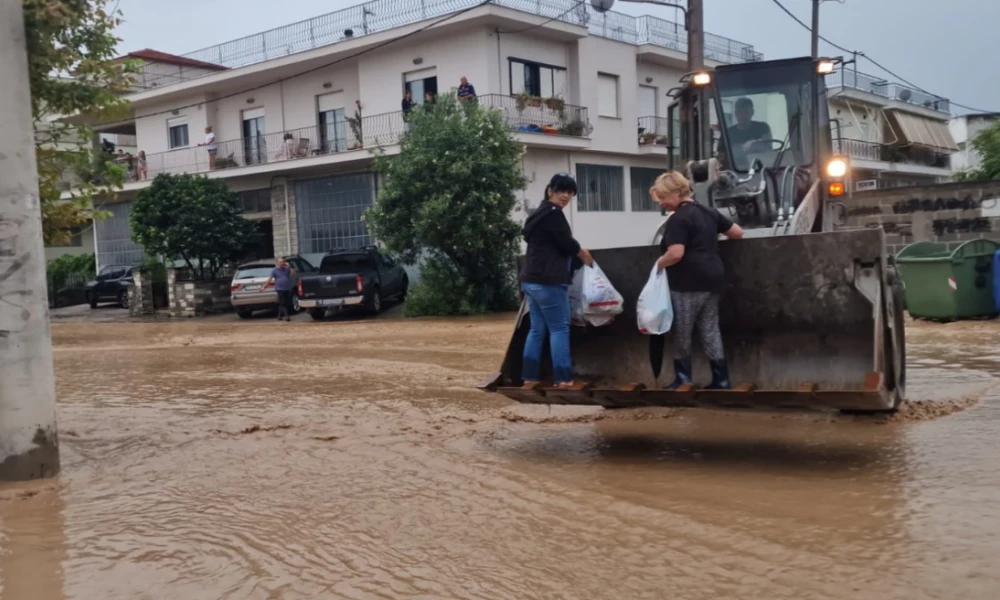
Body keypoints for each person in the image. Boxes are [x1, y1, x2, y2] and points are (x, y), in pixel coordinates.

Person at [650, 171, 744, 390]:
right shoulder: (709, 211)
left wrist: (658, 265)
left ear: (677, 193)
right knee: (710, 328)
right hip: (713, 279)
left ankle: (683, 378)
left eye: (663, 197)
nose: (662, 203)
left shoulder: (678, 219)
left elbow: (676, 254)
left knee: (682, 330)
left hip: (688, 282)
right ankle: (721, 380)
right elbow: (738, 233)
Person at [519, 173, 593, 389]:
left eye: (570, 193)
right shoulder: (554, 215)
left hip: (530, 281)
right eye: (562, 191)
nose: (566, 196)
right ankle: (563, 378)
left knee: (537, 329)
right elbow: (567, 243)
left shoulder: (536, 214)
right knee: (559, 328)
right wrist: (582, 253)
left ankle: (530, 377)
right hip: (548, 281)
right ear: (550, 190)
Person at [263, 257, 297, 322]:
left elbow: (293, 274)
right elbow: (270, 279)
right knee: (283, 302)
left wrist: (289, 266)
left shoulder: (287, 269)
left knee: (283, 303)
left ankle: (279, 316)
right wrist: (264, 287)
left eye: (283, 262)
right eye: (280, 262)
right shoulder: (274, 270)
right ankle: (287, 316)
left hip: (286, 288)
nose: (282, 263)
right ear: (278, 263)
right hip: (279, 289)